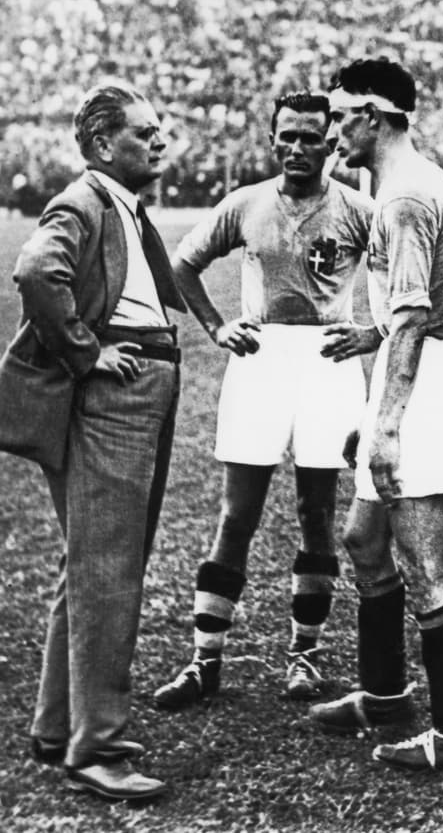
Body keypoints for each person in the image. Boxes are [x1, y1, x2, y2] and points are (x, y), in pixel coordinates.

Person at [151, 92, 377, 711]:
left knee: (316, 510)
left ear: (332, 142)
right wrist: (218, 327)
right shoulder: (246, 204)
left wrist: (371, 331)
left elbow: (402, 281)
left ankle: (303, 654)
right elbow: (182, 265)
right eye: (288, 137)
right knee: (237, 513)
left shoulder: (359, 209)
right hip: (260, 357)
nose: (298, 148)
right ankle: (205, 659)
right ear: (272, 140)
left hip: (330, 360)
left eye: (311, 137)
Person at [0, 82, 186, 801]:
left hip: (136, 389)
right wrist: (86, 353)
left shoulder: (120, 206)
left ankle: (58, 725)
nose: (161, 140)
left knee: (91, 562)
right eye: (146, 132)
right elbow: (35, 271)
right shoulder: (84, 200)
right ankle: (97, 748)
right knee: (110, 572)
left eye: (160, 128)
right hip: (115, 394)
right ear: (106, 145)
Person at [306, 57, 443, 776]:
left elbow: (417, 316)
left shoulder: (408, 196)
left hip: (430, 375)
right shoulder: (403, 187)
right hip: (411, 363)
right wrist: (372, 340)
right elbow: (407, 308)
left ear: (372, 118)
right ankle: (385, 694)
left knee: (422, 556)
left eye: (340, 114)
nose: (331, 129)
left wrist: (385, 421)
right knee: (363, 535)